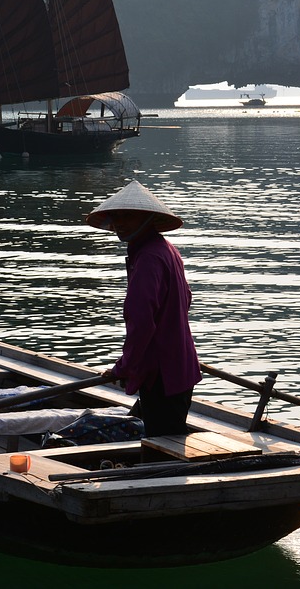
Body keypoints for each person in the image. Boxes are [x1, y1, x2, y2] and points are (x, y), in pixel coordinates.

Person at [85, 180, 201, 437]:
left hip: (163, 372)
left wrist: (124, 367)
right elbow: (186, 300)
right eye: (117, 217)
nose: (120, 223)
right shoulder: (165, 249)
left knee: (162, 444)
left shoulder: (149, 257)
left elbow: (141, 323)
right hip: (179, 364)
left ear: (147, 218)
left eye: (128, 216)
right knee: (167, 434)